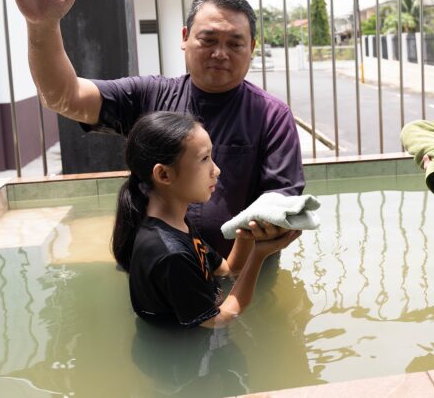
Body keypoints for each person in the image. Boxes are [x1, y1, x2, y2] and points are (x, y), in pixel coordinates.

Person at [0, 0, 304, 257]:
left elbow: (281, 198)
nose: (220, 53)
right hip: (153, 275)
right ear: (185, 38)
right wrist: (42, 25)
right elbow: (63, 96)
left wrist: (271, 227)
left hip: (236, 277)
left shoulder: (271, 116)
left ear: (251, 47)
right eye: (208, 40)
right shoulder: (149, 96)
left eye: (235, 43)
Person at [113, 111, 301, 328]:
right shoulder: (171, 254)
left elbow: (228, 269)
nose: (216, 170)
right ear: (164, 175)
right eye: (204, 159)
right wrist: (259, 255)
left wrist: (247, 231)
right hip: (183, 355)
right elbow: (219, 320)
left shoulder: (177, 225)